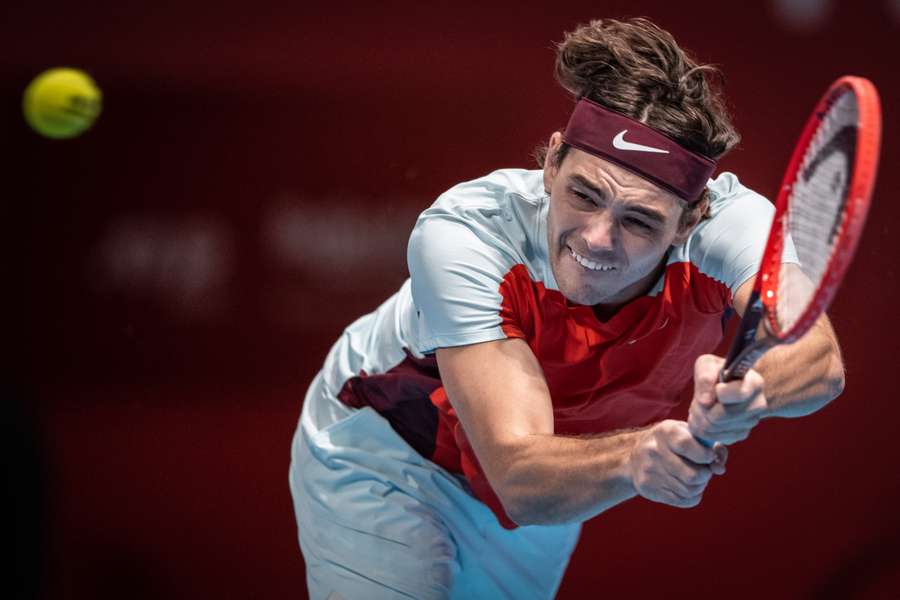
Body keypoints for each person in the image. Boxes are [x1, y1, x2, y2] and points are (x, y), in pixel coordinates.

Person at [289, 17, 844, 600]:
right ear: (552, 162)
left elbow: (818, 359)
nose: (598, 238)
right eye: (583, 195)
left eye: (639, 221)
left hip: (553, 476)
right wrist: (639, 452)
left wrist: (748, 388)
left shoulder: (729, 229)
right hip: (389, 451)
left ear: (690, 218)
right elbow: (518, 478)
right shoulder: (468, 236)